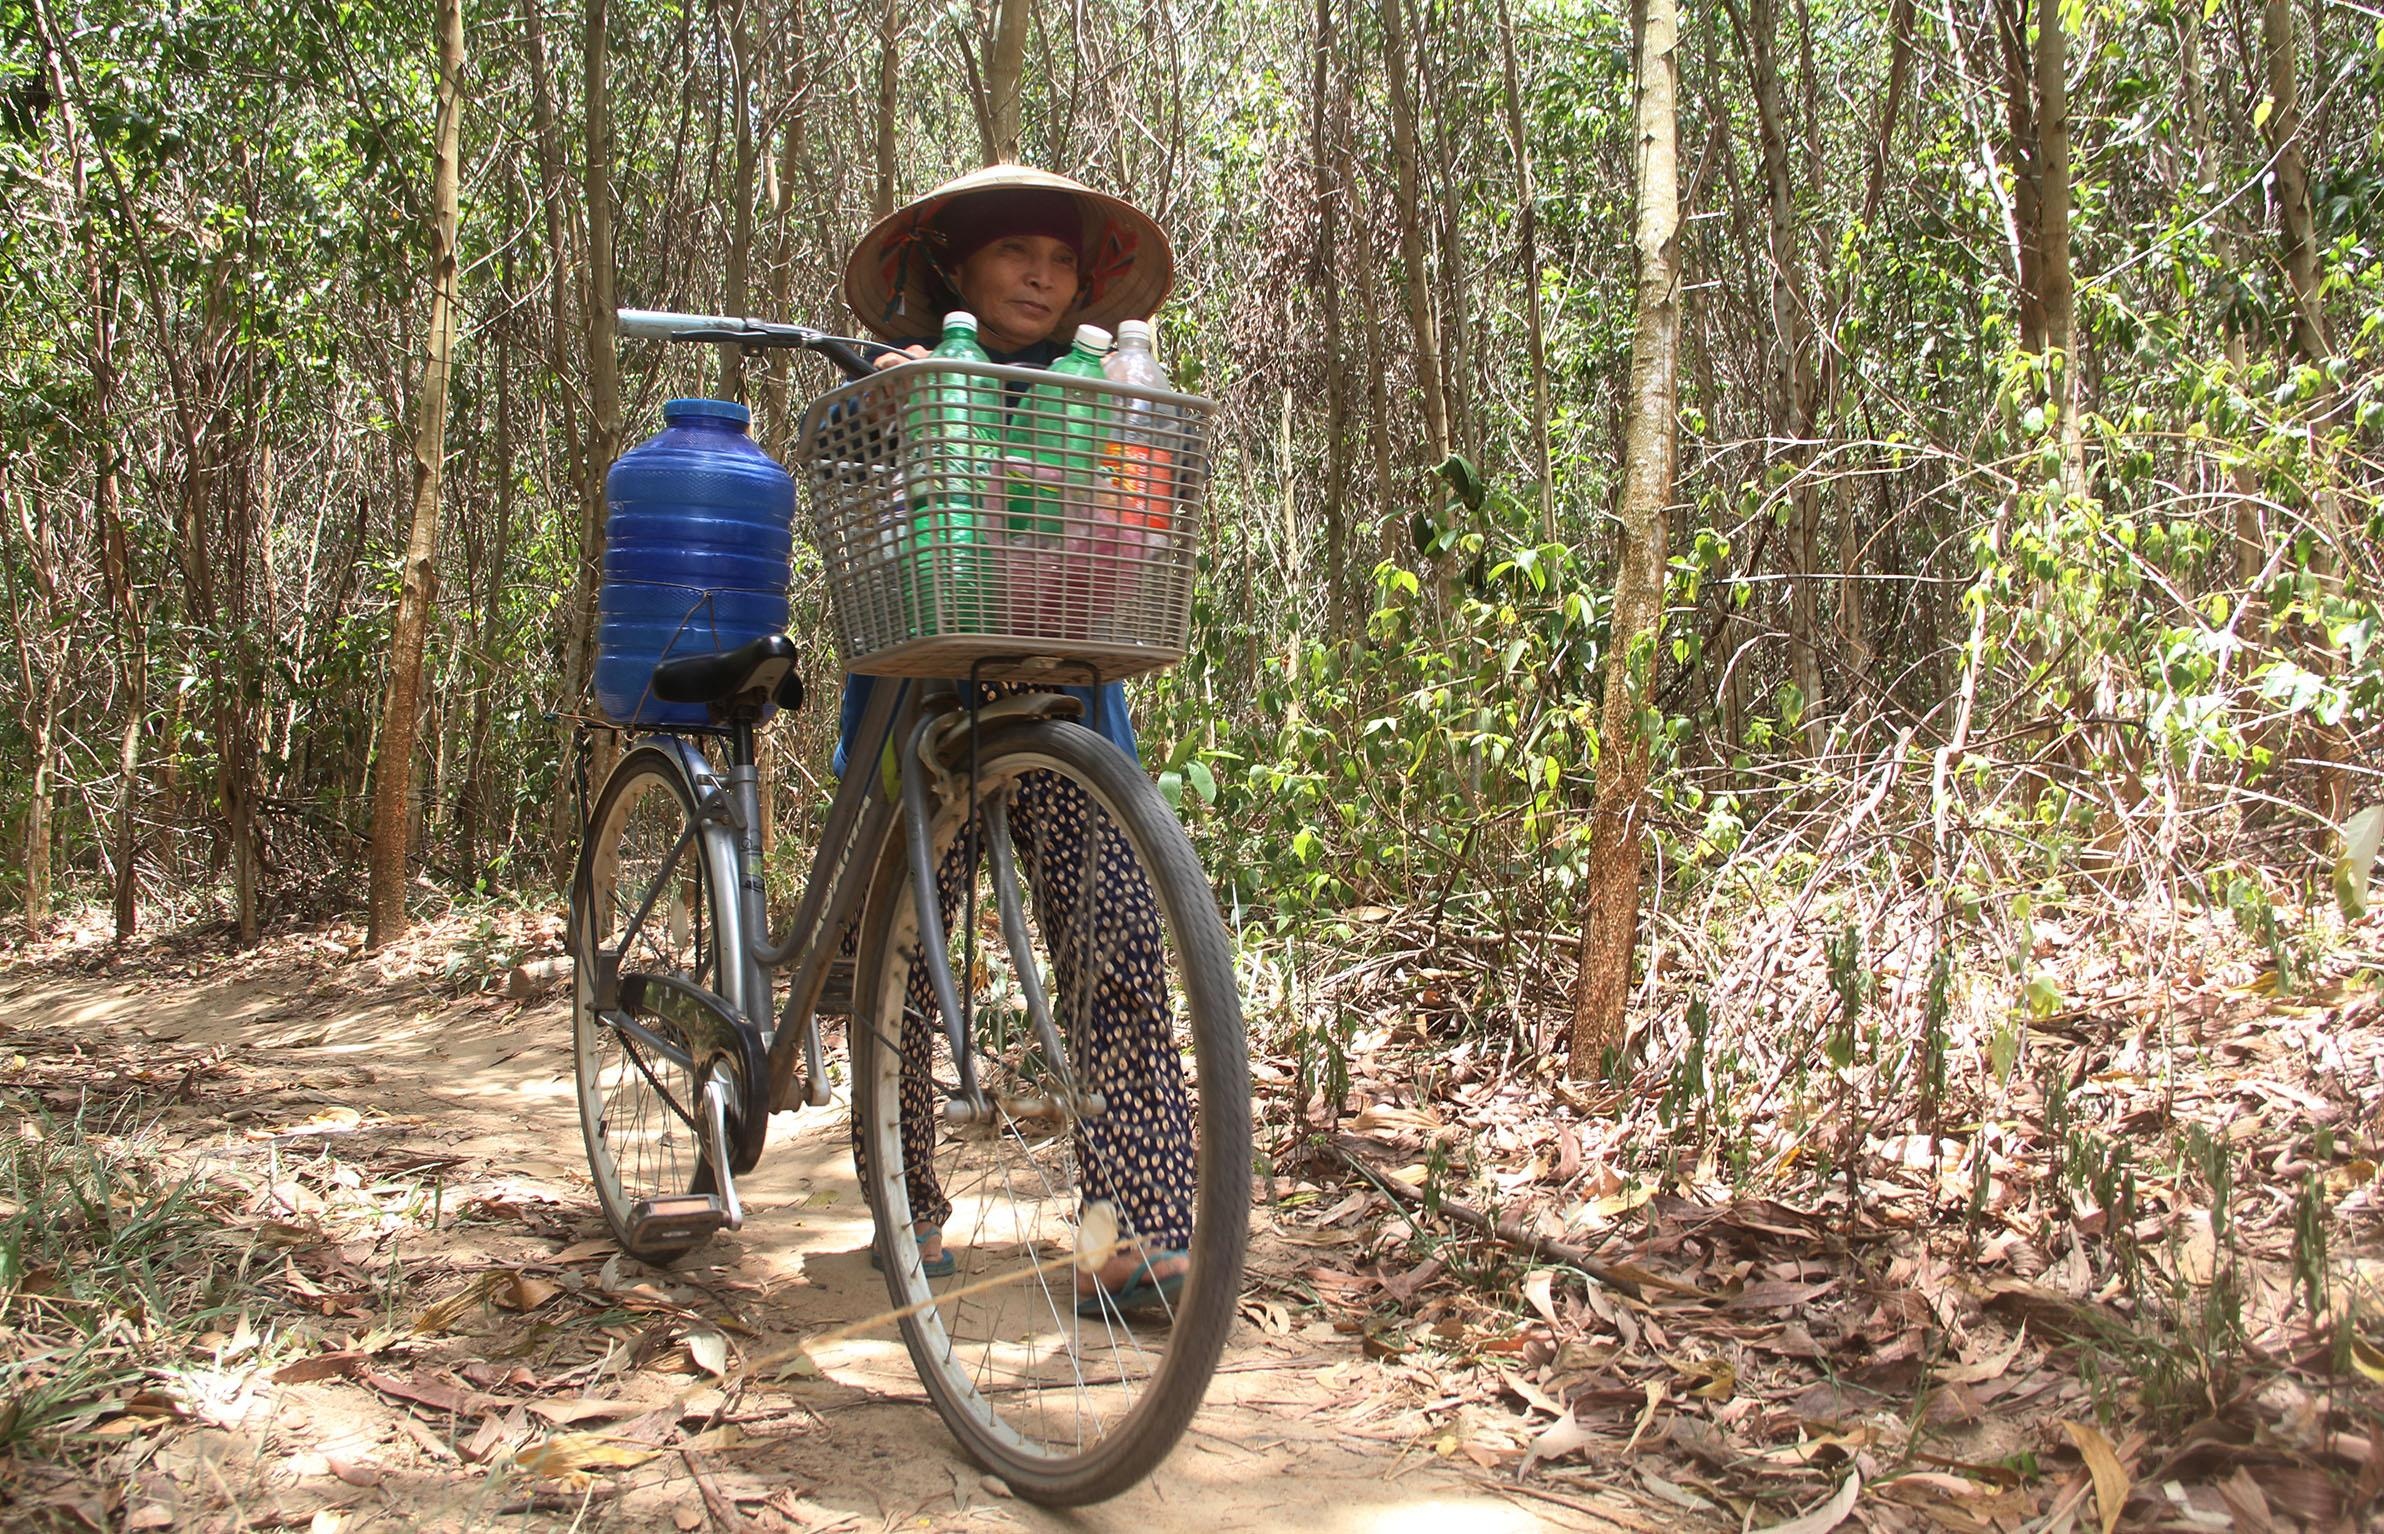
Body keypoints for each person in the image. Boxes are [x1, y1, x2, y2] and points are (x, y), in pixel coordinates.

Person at [834, 165, 1194, 1313]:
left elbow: (1137, 523)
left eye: (1058, 259)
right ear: (955, 269)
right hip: (924, 703)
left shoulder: (1100, 387)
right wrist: (882, 402)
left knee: (1120, 939)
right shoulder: (908, 374)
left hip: (1063, 701)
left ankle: (1134, 1231)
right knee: (906, 963)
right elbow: (845, 479)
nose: (1040, 276)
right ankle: (909, 1204)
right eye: (1011, 255)